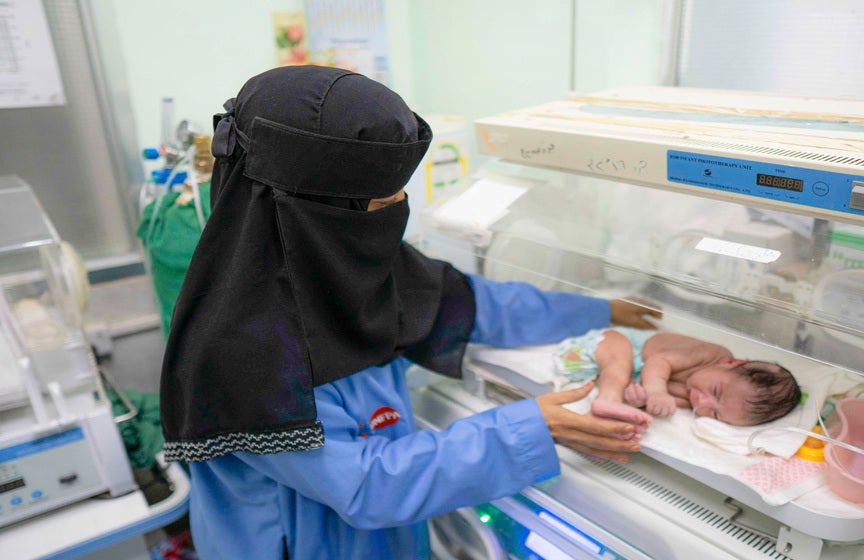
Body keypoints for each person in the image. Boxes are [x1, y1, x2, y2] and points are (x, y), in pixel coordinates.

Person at [158, 65, 659, 560]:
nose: (397, 210)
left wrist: (601, 309)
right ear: (311, 216)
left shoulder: (341, 265)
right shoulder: (236, 354)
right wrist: (528, 429)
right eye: (378, 203)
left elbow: (478, 304)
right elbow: (368, 486)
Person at [556, 328, 801, 428]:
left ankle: (613, 398)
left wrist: (640, 398)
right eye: (715, 392)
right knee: (619, 360)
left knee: (618, 371)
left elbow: (652, 393)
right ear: (730, 363)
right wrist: (656, 392)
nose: (703, 403)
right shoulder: (711, 355)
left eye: (715, 414)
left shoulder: (696, 400)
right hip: (603, 344)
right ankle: (608, 399)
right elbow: (658, 363)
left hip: (599, 371)